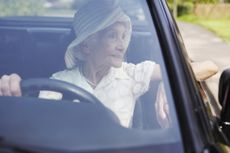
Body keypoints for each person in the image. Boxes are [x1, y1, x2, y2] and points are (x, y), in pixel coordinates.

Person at [0, 0, 217, 128]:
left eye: (124, 36)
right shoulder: (59, 81)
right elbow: (40, 126)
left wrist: (168, 81)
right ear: (86, 46)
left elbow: (209, 67)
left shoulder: (131, 74)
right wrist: (13, 93)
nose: (122, 45)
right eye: (112, 36)